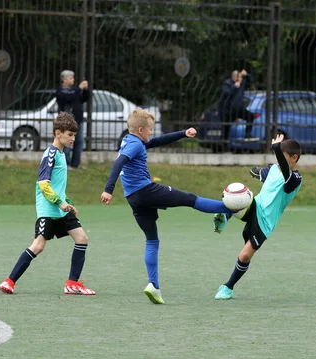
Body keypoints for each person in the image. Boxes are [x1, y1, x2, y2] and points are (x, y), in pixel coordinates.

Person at [100, 109, 233, 305]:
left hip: (133, 198)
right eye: (150, 129)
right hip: (147, 191)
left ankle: (153, 285)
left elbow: (156, 142)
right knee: (189, 198)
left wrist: (182, 134)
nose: (152, 133)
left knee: (152, 240)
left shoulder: (130, 140)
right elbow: (118, 162)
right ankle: (228, 208)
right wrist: (108, 189)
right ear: (140, 129)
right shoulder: (136, 144)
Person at [0, 112, 95, 296]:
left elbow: (57, 186)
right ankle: (9, 281)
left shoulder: (61, 154)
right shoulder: (51, 154)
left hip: (61, 208)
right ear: (58, 133)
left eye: (74, 135)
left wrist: (68, 203)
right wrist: (60, 203)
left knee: (82, 238)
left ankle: (72, 283)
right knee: (38, 246)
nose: (73, 138)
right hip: (49, 210)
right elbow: (44, 184)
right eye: (70, 135)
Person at [212, 134, 302, 300]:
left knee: (245, 255)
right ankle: (224, 216)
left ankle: (228, 287)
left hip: (265, 222)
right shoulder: (274, 168)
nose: (278, 160)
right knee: (237, 193)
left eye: (281, 156)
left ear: (294, 158)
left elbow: (284, 171)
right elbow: (262, 171)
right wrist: (257, 172)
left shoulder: (295, 179)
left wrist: (275, 148)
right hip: (254, 206)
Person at [56, 70, 89, 169]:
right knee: (66, 142)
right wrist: (79, 88)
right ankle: (66, 164)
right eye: (71, 78)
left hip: (78, 120)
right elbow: (69, 97)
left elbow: (83, 99)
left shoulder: (74, 90)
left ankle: (76, 164)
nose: (73, 80)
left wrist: (86, 90)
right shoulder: (61, 91)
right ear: (64, 80)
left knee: (79, 142)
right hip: (67, 121)